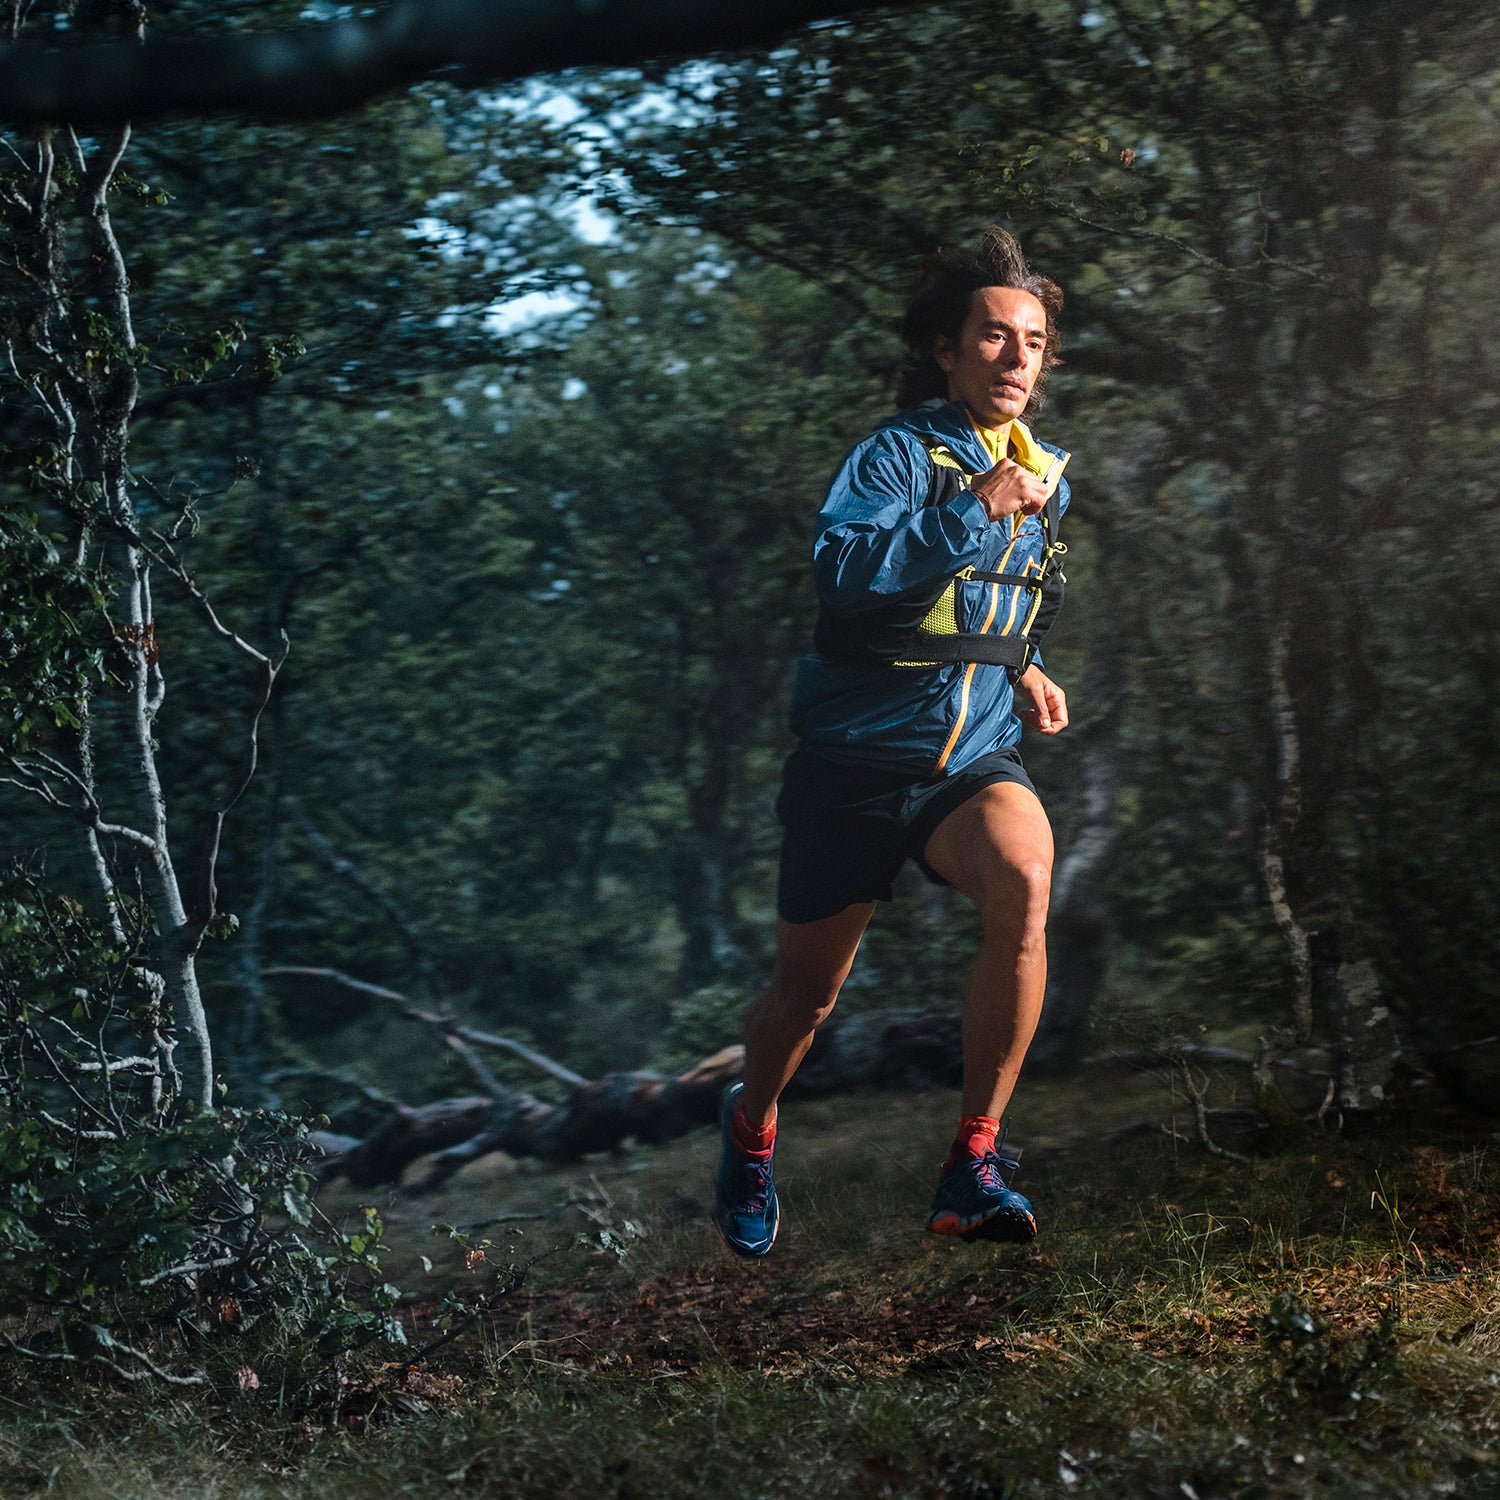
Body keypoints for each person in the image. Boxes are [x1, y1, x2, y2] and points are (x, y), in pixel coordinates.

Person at [712, 227, 1072, 1257]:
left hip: (967, 765)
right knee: (805, 999)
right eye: (994, 337)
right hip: (855, 768)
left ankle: (974, 1162)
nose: (1015, 358)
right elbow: (848, 579)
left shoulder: (1046, 474)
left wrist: (1027, 663)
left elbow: (1002, 608)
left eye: (1034, 342)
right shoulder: (896, 457)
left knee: (1028, 880)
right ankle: (749, 1126)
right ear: (950, 352)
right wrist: (972, 508)